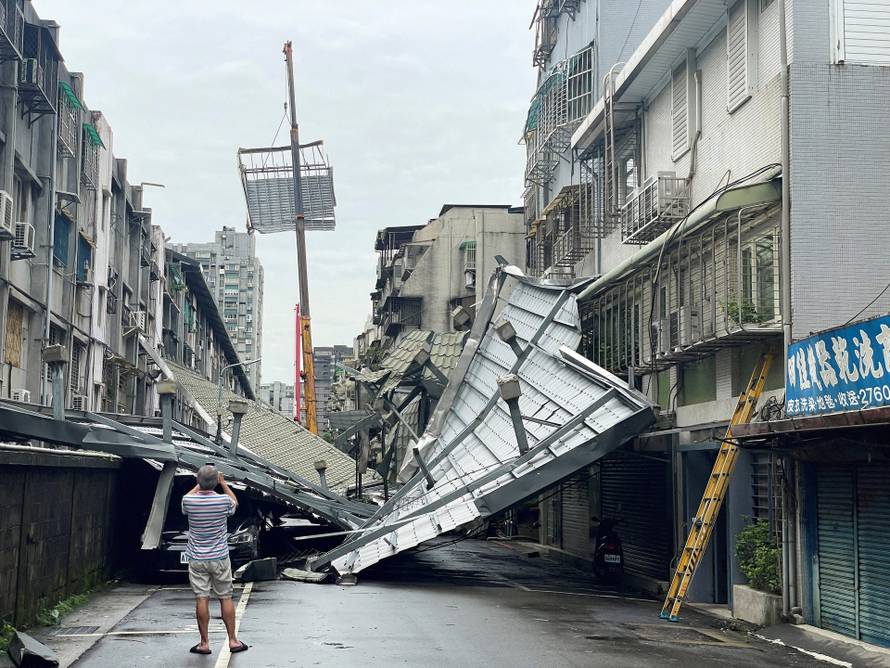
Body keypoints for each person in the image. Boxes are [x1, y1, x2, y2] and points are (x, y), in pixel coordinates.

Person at [181, 464, 249, 655]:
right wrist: (223, 483)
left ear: (198, 481)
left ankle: (204, 643)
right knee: (225, 597)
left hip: (196, 558)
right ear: (216, 482)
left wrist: (200, 483)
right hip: (219, 557)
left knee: (201, 598)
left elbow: (189, 496)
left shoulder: (189, 501)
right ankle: (233, 641)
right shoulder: (223, 501)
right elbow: (234, 502)